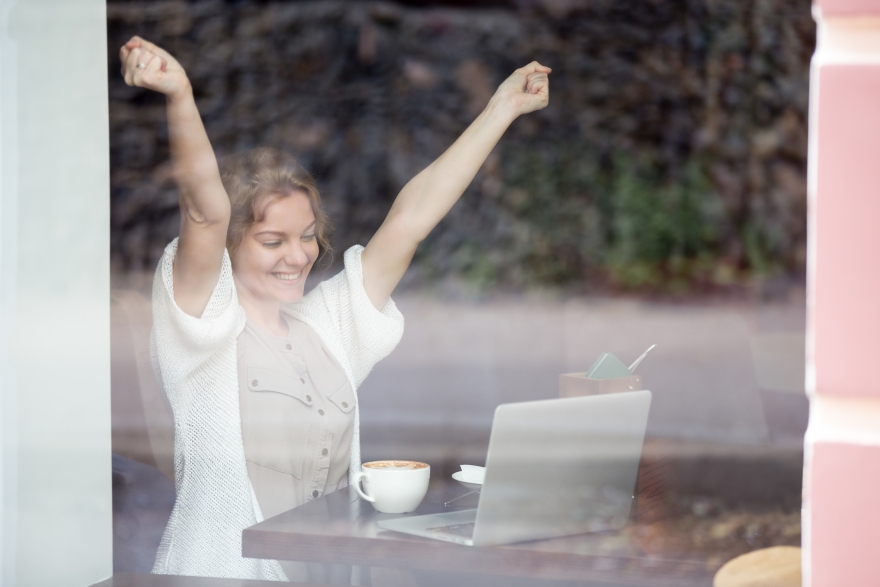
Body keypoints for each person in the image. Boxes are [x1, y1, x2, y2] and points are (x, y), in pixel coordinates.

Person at [119, 35, 550, 581]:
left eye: (305, 236)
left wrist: (502, 108)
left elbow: (411, 218)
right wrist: (179, 93)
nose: (297, 255)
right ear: (229, 247)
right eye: (272, 241)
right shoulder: (201, 327)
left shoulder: (329, 325)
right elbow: (205, 212)